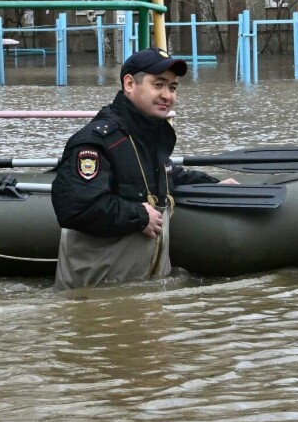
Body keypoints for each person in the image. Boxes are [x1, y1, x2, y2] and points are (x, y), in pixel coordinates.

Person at [51, 47, 234, 290]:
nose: (167, 95)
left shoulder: (148, 136)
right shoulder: (97, 141)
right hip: (96, 296)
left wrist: (213, 186)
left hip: (143, 294)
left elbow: (168, 174)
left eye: (172, 87)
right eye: (158, 85)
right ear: (129, 84)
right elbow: (75, 207)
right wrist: (137, 216)